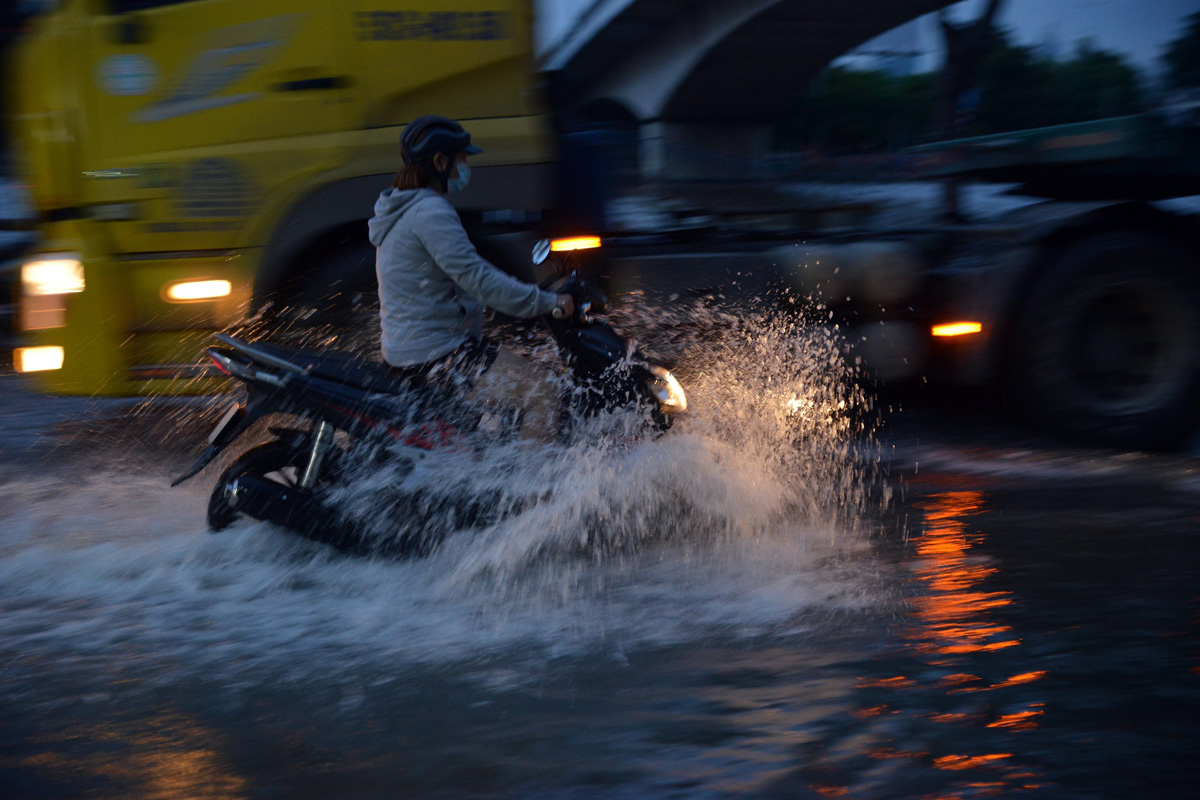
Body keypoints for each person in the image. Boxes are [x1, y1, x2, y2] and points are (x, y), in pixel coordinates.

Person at [367, 115, 573, 443]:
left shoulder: (405, 208)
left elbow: (469, 271)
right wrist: (545, 302)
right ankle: (535, 495)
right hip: (436, 357)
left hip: (413, 353)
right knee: (544, 391)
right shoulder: (430, 211)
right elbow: (477, 279)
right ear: (439, 161)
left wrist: (528, 294)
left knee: (525, 365)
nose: (465, 166)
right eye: (461, 158)